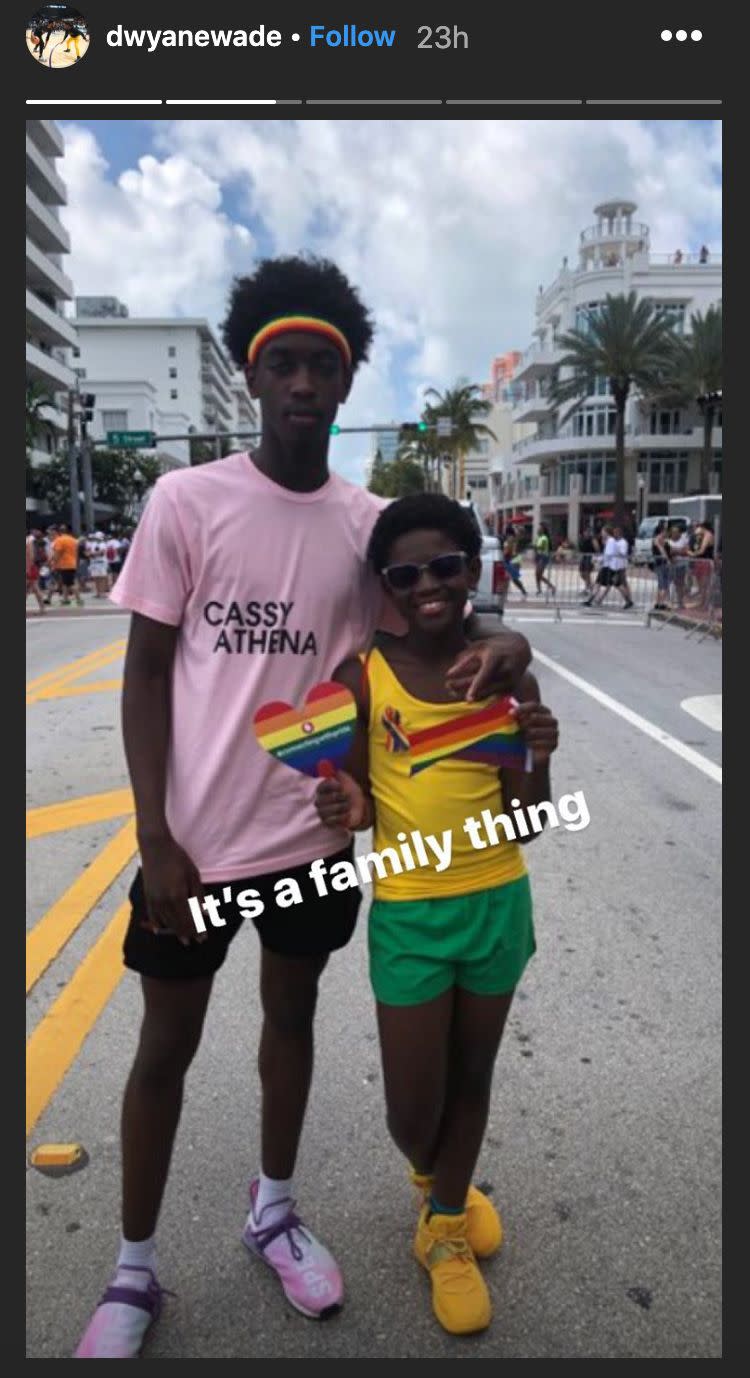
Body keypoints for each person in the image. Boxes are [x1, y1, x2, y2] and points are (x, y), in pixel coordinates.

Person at [74, 255, 532, 1359]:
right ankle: (133, 1271)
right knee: (164, 1048)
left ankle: (274, 1210)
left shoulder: (367, 523)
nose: (300, 384)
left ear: (344, 378)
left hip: (311, 844)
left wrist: (509, 644)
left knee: (292, 1025)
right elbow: (145, 675)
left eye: (321, 365)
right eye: (280, 363)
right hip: (193, 848)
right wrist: (153, 833)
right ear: (252, 375)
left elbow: (440, 624)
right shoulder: (186, 500)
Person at [314, 493, 558, 1335]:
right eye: (407, 572)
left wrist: (538, 750)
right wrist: (344, 809)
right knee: (411, 1112)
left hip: (497, 901)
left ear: (472, 569)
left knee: (473, 1079)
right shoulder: (364, 675)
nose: (428, 585)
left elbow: (528, 817)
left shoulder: (504, 668)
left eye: (446, 567)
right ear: (386, 584)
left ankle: (445, 1231)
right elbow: (363, 806)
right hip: (412, 912)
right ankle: (437, 1178)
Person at [584, 525, 633, 609]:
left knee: (600, 583)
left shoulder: (610, 541)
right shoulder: (611, 541)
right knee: (616, 584)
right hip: (611, 566)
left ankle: (590, 600)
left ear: (606, 532)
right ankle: (628, 601)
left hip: (608, 566)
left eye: (603, 532)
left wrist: (598, 559)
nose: (601, 533)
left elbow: (608, 555)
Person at [51, 523, 83, 607]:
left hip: (65, 564)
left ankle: (79, 599)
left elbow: (57, 553)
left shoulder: (59, 540)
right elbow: (76, 553)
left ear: (60, 532)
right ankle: (66, 599)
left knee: (70, 583)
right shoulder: (73, 540)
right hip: (72, 563)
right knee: (66, 583)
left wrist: (54, 563)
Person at [650, 520, 671, 611]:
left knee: (661, 584)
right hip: (661, 563)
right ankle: (662, 603)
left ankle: (658, 602)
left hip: (660, 563)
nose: (667, 532)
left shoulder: (661, 539)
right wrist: (667, 560)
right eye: (666, 530)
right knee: (664, 584)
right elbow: (661, 550)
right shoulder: (658, 539)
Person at [26, 529, 46, 614]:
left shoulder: (29, 540)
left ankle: (42, 608)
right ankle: (42, 608)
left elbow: (31, 556)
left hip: (30, 567)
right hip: (30, 566)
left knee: (34, 587)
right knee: (32, 588)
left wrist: (28, 568)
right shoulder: (30, 540)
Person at [533, 524, 555, 596]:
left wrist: (535, 547)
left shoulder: (544, 538)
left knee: (539, 574)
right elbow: (536, 548)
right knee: (537, 574)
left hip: (543, 557)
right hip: (539, 557)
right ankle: (539, 589)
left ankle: (551, 587)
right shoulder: (539, 538)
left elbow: (541, 547)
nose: (538, 530)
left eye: (540, 529)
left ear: (543, 530)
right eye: (538, 528)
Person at [86, 531, 109, 598]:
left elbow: (102, 552)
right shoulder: (93, 544)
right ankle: (98, 593)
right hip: (94, 563)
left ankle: (103, 593)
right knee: (96, 578)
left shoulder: (103, 544)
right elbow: (88, 552)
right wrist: (91, 554)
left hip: (101, 562)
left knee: (102, 578)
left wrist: (92, 554)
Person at [577, 527, 597, 595]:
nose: (587, 533)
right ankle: (590, 586)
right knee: (582, 573)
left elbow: (597, 548)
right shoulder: (582, 539)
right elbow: (580, 548)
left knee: (587, 573)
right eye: (586, 532)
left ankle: (588, 588)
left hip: (590, 557)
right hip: (584, 557)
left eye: (588, 532)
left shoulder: (592, 539)